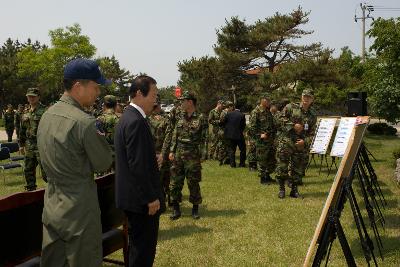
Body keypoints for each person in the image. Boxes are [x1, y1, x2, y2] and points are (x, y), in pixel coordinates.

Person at [37, 58, 113, 266]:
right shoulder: (84, 122)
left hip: (52, 202)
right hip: (79, 208)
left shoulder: (46, 115)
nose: (98, 93)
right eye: (96, 87)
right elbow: (103, 163)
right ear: (78, 86)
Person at [115, 75, 165, 267]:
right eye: (153, 95)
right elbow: (136, 165)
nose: (155, 100)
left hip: (133, 198)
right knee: (142, 252)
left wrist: (151, 159)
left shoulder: (129, 117)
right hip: (140, 201)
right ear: (138, 94)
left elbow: (134, 157)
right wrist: (150, 197)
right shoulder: (136, 121)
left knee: (138, 248)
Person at [169, 91, 207, 220]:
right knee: (175, 182)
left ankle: (195, 209)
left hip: (193, 155)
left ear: (190, 102)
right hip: (178, 154)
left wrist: (203, 153)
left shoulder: (201, 117)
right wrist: (171, 151)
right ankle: (176, 209)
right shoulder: (179, 116)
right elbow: (175, 134)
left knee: (193, 182)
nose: (181, 103)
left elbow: (205, 137)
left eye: (183, 101)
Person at [275, 89, 317, 198]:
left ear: (312, 99)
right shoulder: (290, 107)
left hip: (300, 146)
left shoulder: (313, 114)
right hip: (286, 142)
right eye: (304, 96)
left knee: (297, 169)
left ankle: (294, 190)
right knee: (282, 166)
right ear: (301, 97)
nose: (306, 99)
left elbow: (313, 133)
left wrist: (305, 142)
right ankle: (281, 189)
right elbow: (279, 119)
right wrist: (292, 125)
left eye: (309, 97)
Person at [19, 88, 47, 191]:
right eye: (29, 96)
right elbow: (22, 130)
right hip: (29, 145)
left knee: (46, 170)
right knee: (28, 170)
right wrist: (21, 145)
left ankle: (54, 189)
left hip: (42, 144)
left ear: (38, 97)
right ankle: (31, 190)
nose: (31, 98)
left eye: (33, 96)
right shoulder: (25, 112)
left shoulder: (45, 110)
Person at [248, 93, 276, 184]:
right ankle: (262, 179)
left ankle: (267, 176)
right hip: (262, 141)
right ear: (263, 100)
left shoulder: (268, 111)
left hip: (270, 140)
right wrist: (260, 135)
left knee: (270, 159)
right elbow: (252, 128)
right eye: (268, 100)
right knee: (262, 160)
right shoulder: (256, 112)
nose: (269, 102)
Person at [149, 95, 171, 205]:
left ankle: (158, 199)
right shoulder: (165, 120)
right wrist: (164, 152)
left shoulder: (144, 119)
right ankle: (169, 199)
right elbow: (169, 138)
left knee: (154, 179)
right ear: (158, 107)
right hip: (163, 153)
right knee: (166, 177)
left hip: (149, 154)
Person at [221, 101, 246, 168]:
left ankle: (232, 164)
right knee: (242, 150)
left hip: (229, 135)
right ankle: (242, 164)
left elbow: (223, 123)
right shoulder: (242, 115)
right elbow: (243, 125)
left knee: (231, 150)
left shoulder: (228, 114)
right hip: (239, 135)